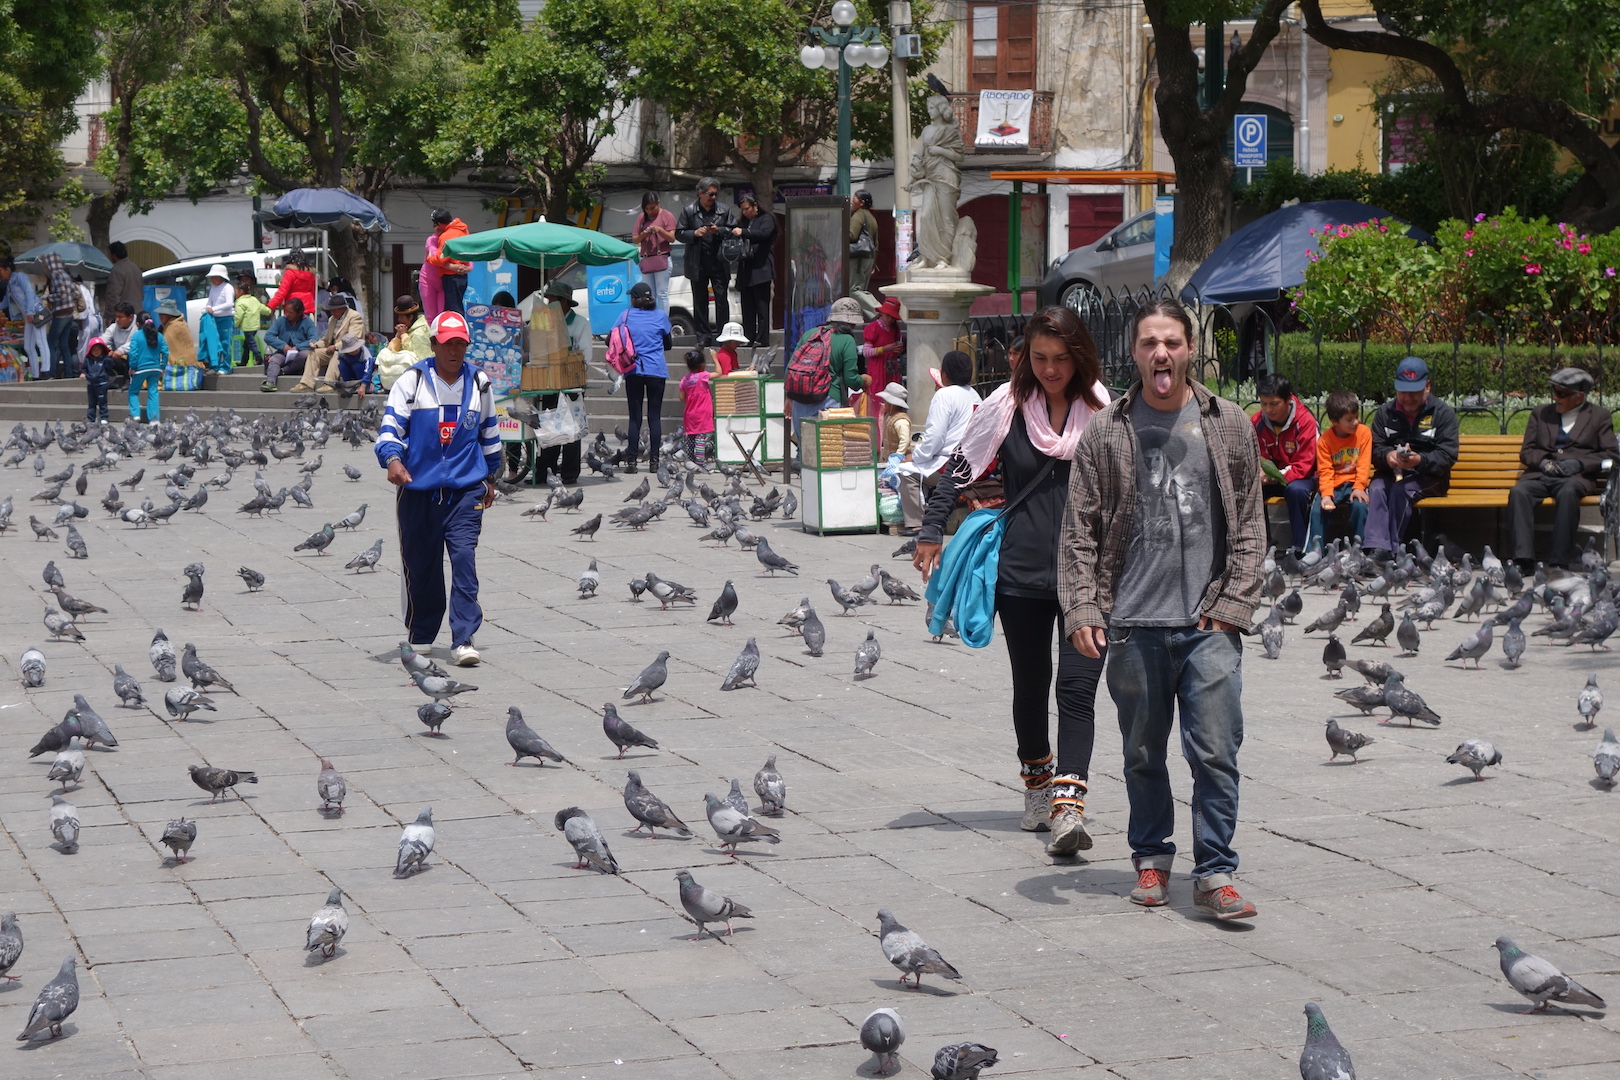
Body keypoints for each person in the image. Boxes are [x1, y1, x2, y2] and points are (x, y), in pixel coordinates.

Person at [1060, 296, 1266, 920]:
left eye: (1172, 342)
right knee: (1143, 752)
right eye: (1150, 342)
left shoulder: (1228, 423)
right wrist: (1082, 609)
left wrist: (1234, 603)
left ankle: (1216, 872)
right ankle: (1151, 859)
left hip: (1208, 624)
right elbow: (1079, 530)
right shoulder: (1107, 429)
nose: (1161, 353)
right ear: (1135, 352)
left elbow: (1253, 525)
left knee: (1216, 753)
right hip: (1132, 626)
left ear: (1190, 348)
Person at [915, 305, 1112, 855]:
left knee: (1077, 688)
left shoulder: (1103, 411)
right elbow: (959, 468)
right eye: (1041, 358)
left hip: (1089, 575)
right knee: (1031, 684)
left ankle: (1069, 808)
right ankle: (1036, 786)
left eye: (1062, 359)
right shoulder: (1005, 407)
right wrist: (932, 529)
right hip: (1021, 571)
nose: (1050, 369)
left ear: (1080, 356)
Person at [375, 311, 501, 667]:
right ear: (433, 345)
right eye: (448, 343)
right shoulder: (411, 382)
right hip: (418, 490)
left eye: (461, 344)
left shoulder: (479, 382)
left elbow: (489, 432)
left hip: (465, 491)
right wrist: (392, 460)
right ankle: (422, 632)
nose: (455, 351)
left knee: (463, 559)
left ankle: (463, 638)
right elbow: (390, 429)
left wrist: (490, 476)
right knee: (421, 562)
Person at [1507, 367, 1617, 570]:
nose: (1555, 398)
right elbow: (1527, 451)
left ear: (1579, 396)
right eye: (1554, 392)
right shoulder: (1541, 413)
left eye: (1561, 394)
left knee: (1568, 493)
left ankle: (1559, 561)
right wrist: (1543, 463)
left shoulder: (1599, 416)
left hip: (1574, 477)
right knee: (1519, 492)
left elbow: (1611, 453)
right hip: (1541, 474)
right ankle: (1523, 560)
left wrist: (1580, 464)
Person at [1363, 357, 1459, 560]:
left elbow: (1447, 455)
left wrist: (1420, 460)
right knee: (1377, 488)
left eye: (1414, 392)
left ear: (1428, 386)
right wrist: (1388, 457)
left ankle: (1393, 549)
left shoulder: (1442, 414)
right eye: (1403, 392)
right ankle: (1375, 549)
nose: (1408, 398)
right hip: (1393, 471)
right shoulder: (1384, 413)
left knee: (1402, 490)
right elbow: (1375, 450)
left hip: (1431, 477)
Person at [898, 349, 979, 533]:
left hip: (951, 466)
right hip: (975, 465)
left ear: (945, 374)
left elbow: (934, 438)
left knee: (906, 472)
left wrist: (916, 456)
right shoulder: (975, 395)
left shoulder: (945, 395)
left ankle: (917, 523)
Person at [785, 295, 867, 448]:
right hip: (828, 399)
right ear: (852, 323)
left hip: (799, 400)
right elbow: (851, 381)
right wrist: (864, 380)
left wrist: (789, 398)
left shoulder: (810, 334)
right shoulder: (847, 340)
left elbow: (790, 369)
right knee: (827, 452)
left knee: (806, 452)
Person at [1251, 372, 1318, 554]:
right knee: (1251, 488)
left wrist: (1276, 476)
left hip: (1305, 477)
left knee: (1296, 491)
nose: (1268, 409)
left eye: (1274, 404)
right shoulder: (1256, 423)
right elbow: (1257, 455)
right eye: (1263, 404)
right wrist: (1260, 473)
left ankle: (1299, 546)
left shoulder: (1305, 422)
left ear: (1288, 399)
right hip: (1273, 477)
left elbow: (1305, 465)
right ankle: (1260, 543)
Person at [675, 177, 737, 343]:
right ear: (700, 193)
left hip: (718, 261)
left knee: (721, 299)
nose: (714, 197)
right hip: (697, 262)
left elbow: (733, 230)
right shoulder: (688, 210)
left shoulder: (724, 210)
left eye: (716, 194)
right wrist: (694, 233)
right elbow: (679, 233)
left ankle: (723, 335)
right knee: (700, 300)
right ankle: (702, 336)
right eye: (710, 194)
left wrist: (720, 230)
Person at [620, 281, 673, 473]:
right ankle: (654, 462)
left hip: (633, 370)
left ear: (634, 300)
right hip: (656, 371)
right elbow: (668, 344)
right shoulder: (661, 316)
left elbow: (612, 339)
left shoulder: (625, 316)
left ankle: (632, 462)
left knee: (635, 418)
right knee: (654, 416)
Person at [1309, 390, 1372, 547]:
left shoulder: (1364, 433)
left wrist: (1359, 487)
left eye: (1356, 417)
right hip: (1333, 485)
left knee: (1360, 506)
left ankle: (1360, 549)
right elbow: (1325, 470)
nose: (1356, 422)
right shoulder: (1324, 441)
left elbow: (1364, 464)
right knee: (1317, 511)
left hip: (1354, 483)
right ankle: (1314, 552)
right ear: (1334, 421)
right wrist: (1327, 495)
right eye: (1349, 420)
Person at [293, 293, 365, 391]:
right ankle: (307, 383)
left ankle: (329, 384)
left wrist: (335, 346)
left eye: (334, 310)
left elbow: (353, 338)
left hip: (351, 352)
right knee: (314, 353)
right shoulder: (332, 319)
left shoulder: (354, 316)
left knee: (337, 354)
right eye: (331, 310)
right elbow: (327, 339)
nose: (332, 312)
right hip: (334, 349)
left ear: (342, 308)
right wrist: (316, 345)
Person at [732, 192, 777, 346]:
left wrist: (744, 232)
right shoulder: (743, 222)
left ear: (755, 206)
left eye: (747, 209)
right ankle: (748, 336)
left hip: (761, 268)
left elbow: (763, 234)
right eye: (743, 210)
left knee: (761, 306)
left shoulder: (766, 219)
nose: (745, 212)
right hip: (746, 269)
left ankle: (762, 337)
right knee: (747, 307)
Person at [0, 257, 49, 378]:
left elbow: (29, 293)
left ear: (7, 270)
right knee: (28, 346)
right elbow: (6, 302)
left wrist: (30, 312)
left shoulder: (20, 277)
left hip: (35, 312)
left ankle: (46, 372)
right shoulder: (9, 284)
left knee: (41, 342)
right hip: (28, 316)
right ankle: (35, 374)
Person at [632, 191, 677, 312]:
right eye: (647, 208)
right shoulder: (641, 217)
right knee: (648, 295)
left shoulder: (667, 215)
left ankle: (663, 320)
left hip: (662, 258)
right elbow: (635, 239)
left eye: (652, 208)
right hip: (646, 259)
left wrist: (660, 230)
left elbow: (672, 238)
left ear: (659, 203)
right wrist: (644, 234)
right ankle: (650, 319)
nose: (650, 211)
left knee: (662, 293)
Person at [862, 296, 906, 420]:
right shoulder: (872, 328)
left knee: (893, 401)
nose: (890, 319)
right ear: (881, 313)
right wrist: (884, 349)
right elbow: (866, 352)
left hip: (891, 369)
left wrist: (898, 349)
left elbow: (896, 346)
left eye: (893, 317)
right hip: (877, 371)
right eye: (888, 315)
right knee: (877, 400)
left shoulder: (895, 328)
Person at [374, 295, 431, 391]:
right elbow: (391, 350)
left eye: (401, 316)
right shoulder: (405, 329)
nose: (399, 320)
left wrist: (404, 335)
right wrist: (398, 337)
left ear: (410, 317)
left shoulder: (420, 332)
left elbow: (419, 356)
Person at [261, 297, 318, 390]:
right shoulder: (281, 320)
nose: (287, 314)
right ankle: (270, 382)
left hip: (300, 353)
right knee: (274, 359)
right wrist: (283, 346)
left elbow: (314, 339)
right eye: (286, 311)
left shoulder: (307, 322)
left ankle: (284, 370)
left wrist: (297, 347)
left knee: (305, 355)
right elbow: (268, 336)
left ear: (299, 313)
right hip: (283, 353)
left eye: (291, 312)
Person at [427, 208, 472, 315]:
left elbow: (440, 259)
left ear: (439, 223)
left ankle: (456, 331)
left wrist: (430, 258)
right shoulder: (463, 230)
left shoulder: (446, 236)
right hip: (463, 275)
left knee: (454, 310)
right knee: (457, 306)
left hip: (451, 277)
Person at [125, 312, 168, 423]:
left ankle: (135, 414)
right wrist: (162, 366)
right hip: (155, 368)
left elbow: (133, 353)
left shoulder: (136, 336)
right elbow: (166, 352)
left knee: (133, 391)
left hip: (140, 369)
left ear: (138, 323)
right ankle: (154, 419)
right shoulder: (159, 336)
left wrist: (133, 367)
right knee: (153, 392)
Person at [42, 251, 78, 378]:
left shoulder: (56, 275)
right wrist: (68, 300)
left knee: (50, 343)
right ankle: (69, 374)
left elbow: (61, 294)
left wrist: (48, 297)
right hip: (69, 313)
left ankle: (51, 372)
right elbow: (76, 293)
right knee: (64, 345)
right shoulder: (65, 274)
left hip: (60, 314)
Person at [679, 350, 715, 465]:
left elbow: (681, 397)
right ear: (702, 365)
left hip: (690, 413)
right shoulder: (703, 376)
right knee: (700, 438)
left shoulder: (685, 379)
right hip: (702, 413)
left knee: (691, 438)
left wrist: (692, 399)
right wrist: (715, 358)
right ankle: (700, 462)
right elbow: (719, 373)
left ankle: (690, 461)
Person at [201, 264, 236, 371]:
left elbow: (229, 303)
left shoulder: (227, 287)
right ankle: (214, 366)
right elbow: (209, 301)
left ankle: (225, 367)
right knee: (214, 342)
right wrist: (208, 307)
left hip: (226, 318)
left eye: (215, 276)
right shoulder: (213, 288)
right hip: (214, 319)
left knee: (225, 343)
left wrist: (214, 309)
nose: (212, 279)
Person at [234, 271, 271, 367]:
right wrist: (269, 311)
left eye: (236, 291)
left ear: (241, 291)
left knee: (251, 344)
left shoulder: (239, 302)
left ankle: (258, 358)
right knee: (246, 345)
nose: (235, 293)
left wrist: (236, 323)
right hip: (255, 326)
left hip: (247, 326)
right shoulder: (253, 299)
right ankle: (244, 361)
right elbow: (262, 308)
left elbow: (239, 315)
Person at [267, 249, 317, 316]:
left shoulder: (290, 272)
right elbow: (313, 293)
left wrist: (270, 306)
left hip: (292, 308)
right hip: (307, 307)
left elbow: (282, 292)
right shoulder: (311, 273)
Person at [848, 189, 880, 293]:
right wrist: (873, 263)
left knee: (854, 291)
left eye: (854, 200)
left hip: (858, 258)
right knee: (862, 291)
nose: (852, 203)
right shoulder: (871, 217)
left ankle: (875, 308)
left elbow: (851, 236)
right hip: (869, 259)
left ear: (861, 203)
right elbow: (876, 243)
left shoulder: (859, 215)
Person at [103, 241, 143, 318]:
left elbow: (114, 296)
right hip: (137, 312)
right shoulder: (136, 268)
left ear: (113, 255)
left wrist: (111, 316)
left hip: (122, 315)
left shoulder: (117, 270)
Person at [156, 297, 198, 368]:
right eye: (160, 313)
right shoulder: (179, 324)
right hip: (189, 366)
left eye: (163, 313)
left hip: (181, 367)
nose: (160, 315)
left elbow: (165, 350)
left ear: (170, 314)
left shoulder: (173, 327)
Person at [103, 301, 137, 381]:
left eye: (121, 317)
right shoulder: (113, 327)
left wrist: (121, 350)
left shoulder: (138, 326)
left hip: (135, 363)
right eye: (116, 316)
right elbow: (103, 340)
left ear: (130, 317)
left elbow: (137, 343)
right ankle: (110, 380)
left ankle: (129, 381)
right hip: (120, 360)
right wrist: (107, 350)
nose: (117, 320)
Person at [81, 337, 112, 423]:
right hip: (91, 384)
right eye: (94, 349)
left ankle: (104, 417)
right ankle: (91, 418)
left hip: (102, 384)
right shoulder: (87, 360)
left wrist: (109, 358)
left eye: (99, 349)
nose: (96, 351)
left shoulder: (105, 359)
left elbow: (110, 367)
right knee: (91, 403)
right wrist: (83, 373)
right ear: (90, 350)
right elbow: (84, 368)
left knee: (102, 402)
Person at [876, 382, 910, 457]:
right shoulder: (888, 416)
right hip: (887, 459)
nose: (883, 402)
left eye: (885, 400)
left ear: (892, 404)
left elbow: (905, 440)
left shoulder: (901, 421)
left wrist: (898, 456)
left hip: (900, 462)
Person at [420, 232, 445, 321]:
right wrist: (452, 266)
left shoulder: (452, 237)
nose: (437, 228)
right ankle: (433, 334)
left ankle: (441, 334)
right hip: (428, 280)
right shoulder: (431, 239)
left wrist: (468, 266)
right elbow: (435, 256)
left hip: (444, 282)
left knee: (442, 314)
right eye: (435, 225)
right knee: (431, 315)